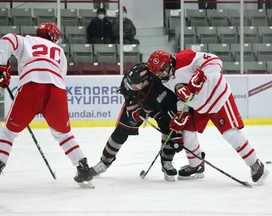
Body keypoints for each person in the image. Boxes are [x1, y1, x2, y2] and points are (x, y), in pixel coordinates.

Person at [147, 50, 269, 185]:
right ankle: (196, 165)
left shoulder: (186, 58)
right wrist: (183, 113)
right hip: (198, 106)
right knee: (187, 134)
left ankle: (255, 164)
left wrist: (201, 76)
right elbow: (181, 96)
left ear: (169, 60)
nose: (162, 73)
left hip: (218, 97)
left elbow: (215, 61)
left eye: (163, 69)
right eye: (158, 72)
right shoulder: (165, 80)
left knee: (230, 134)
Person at [0, 22, 93, 187]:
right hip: (57, 90)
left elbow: (7, 39)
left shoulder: (27, 40)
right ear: (54, 36)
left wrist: (2, 66)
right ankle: (83, 166)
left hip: (31, 87)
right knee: (63, 134)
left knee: (8, 132)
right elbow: (60, 76)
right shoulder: (59, 51)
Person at [90, 63, 205, 181]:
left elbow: (171, 112)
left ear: (146, 81)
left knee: (168, 128)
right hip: (139, 105)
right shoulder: (129, 81)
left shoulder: (161, 84)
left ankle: (167, 162)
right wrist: (132, 109)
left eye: (135, 85)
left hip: (159, 106)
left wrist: (176, 135)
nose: (132, 87)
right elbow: (128, 96)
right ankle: (104, 162)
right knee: (121, 131)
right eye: (131, 84)